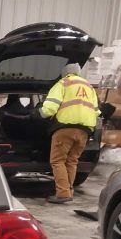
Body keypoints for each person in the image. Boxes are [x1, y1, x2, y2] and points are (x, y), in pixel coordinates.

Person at [40, 63, 100, 204]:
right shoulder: (89, 87)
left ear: (64, 72)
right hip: (84, 130)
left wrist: (38, 114)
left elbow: (50, 108)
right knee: (72, 161)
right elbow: (97, 111)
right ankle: (69, 191)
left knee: (58, 161)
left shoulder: (63, 83)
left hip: (65, 128)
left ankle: (62, 194)